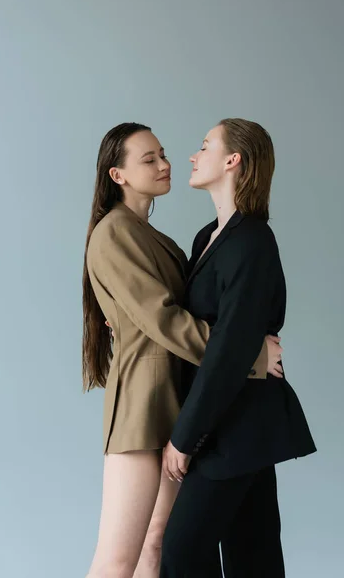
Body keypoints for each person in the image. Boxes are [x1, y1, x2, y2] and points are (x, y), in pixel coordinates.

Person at [82, 123, 283, 578]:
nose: (166, 164)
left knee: (158, 545)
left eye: (163, 154)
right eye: (149, 159)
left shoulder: (161, 238)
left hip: (176, 402)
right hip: (142, 405)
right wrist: (252, 357)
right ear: (118, 176)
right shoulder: (115, 233)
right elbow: (165, 319)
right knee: (119, 557)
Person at [160, 118, 317, 577]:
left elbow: (229, 347)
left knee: (186, 553)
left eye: (205, 145)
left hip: (239, 426)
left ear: (233, 160)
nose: (193, 155)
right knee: (255, 555)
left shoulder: (252, 241)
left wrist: (183, 439)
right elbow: (188, 324)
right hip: (230, 425)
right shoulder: (207, 237)